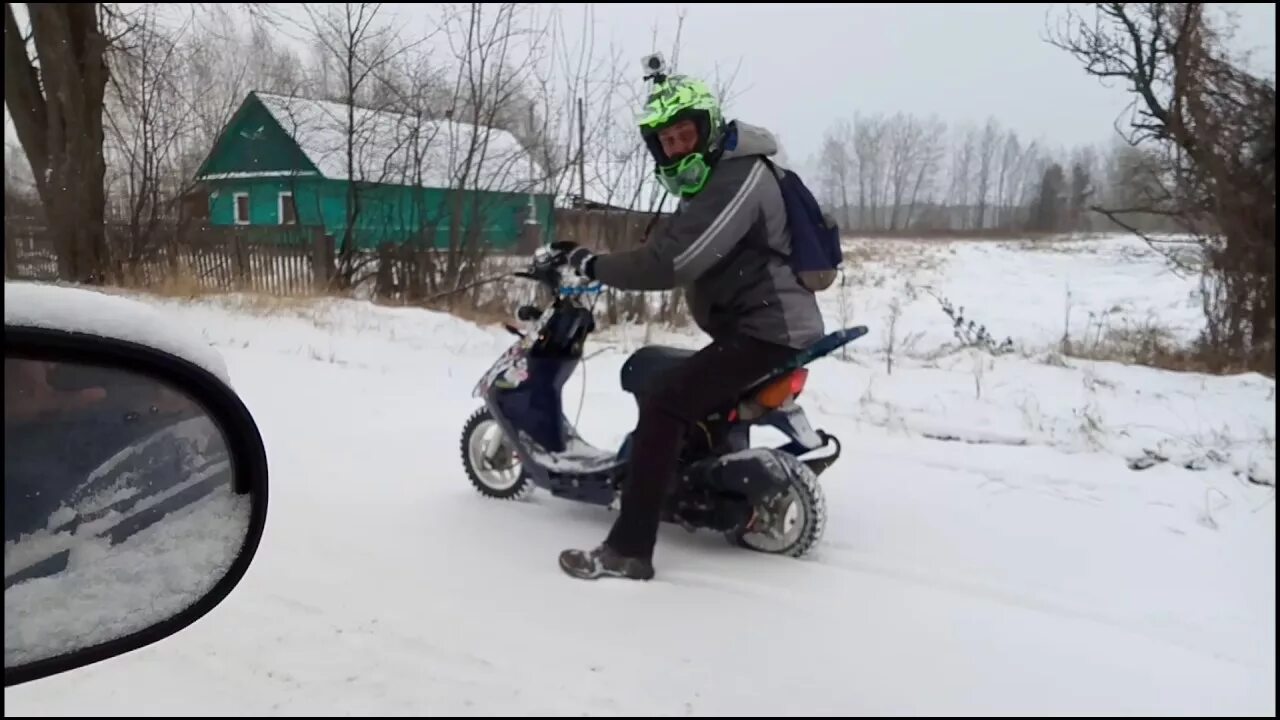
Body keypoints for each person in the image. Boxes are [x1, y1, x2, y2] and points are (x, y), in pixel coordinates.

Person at [550, 74, 826, 581]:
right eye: (666, 141)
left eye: (685, 135)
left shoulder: (738, 176)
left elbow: (672, 260)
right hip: (757, 327)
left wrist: (592, 266)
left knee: (665, 403)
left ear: (709, 128)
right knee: (656, 369)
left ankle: (628, 550)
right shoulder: (713, 180)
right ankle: (690, 483)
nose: (676, 149)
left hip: (770, 331)